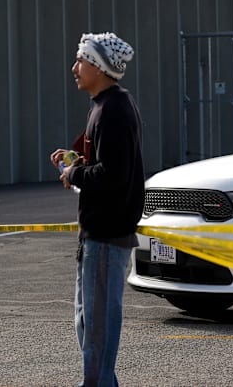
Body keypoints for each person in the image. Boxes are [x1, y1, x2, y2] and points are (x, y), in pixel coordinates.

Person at [50, 32, 145, 386]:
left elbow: (114, 175)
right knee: (88, 322)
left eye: (81, 60)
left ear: (99, 67)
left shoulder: (114, 110)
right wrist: (76, 161)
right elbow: (105, 165)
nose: (75, 68)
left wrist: (75, 172)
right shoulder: (105, 106)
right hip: (96, 236)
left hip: (107, 238)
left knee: (98, 327)